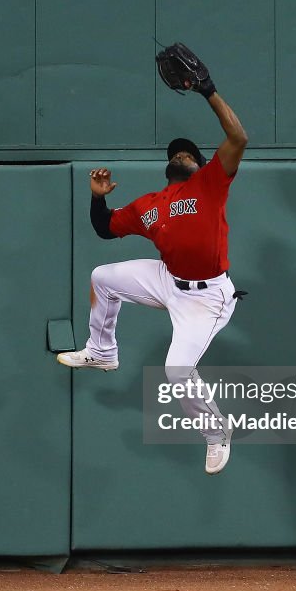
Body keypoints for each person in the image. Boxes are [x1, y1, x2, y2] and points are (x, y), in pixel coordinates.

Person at [56, 71, 248, 475]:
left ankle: (216, 434)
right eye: (175, 153)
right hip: (167, 278)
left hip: (206, 296)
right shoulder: (150, 205)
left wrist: (208, 90)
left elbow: (238, 138)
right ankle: (103, 352)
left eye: (188, 153)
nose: (180, 154)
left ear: (199, 164)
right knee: (102, 277)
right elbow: (103, 228)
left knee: (177, 371)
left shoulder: (210, 183)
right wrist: (96, 198)